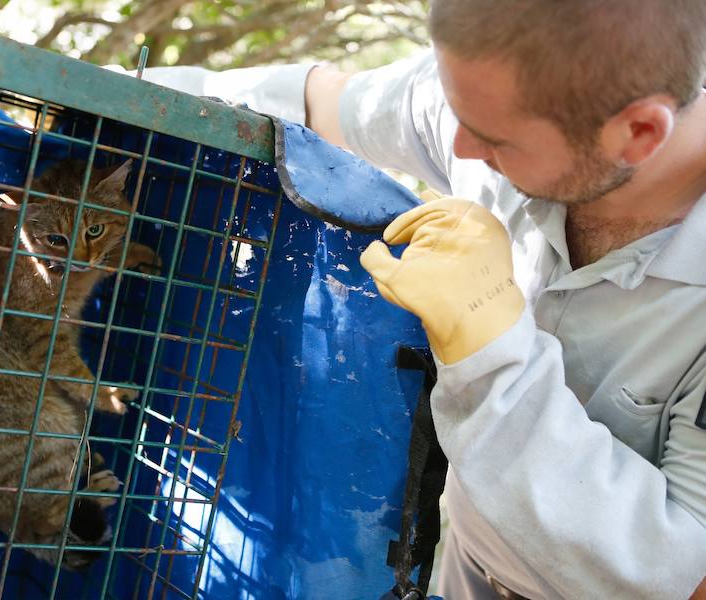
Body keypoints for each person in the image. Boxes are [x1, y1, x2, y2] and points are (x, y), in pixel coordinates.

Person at [136, 1, 706, 597]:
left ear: (638, 132)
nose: (457, 149)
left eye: (493, 138)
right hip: (458, 570)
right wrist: (107, 96)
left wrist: (490, 352)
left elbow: (686, 579)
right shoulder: (494, 98)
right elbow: (316, 102)